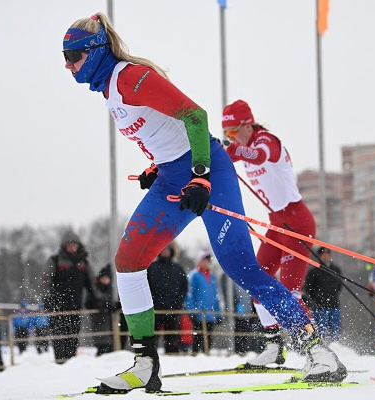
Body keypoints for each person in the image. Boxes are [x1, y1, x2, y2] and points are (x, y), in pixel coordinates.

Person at [61, 13, 347, 393]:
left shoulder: (131, 77)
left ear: (96, 51)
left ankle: (318, 351)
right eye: (64, 56)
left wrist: (198, 173)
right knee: (128, 261)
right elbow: (164, 132)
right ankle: (144, 363)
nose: (68, 64)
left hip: (209, 172)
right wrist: (155, 167)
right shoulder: (110, 89)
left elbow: (195, 117)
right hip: (171, 180)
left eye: (73, 54)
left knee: (239, 265)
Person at [222, 99, 317, 367]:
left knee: (289, 292)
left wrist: (235, 150)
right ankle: (274, 346)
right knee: (257, 282)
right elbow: (230, 156)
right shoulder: (244, 145)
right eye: (227, 133)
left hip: (297, 223)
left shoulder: (266, 140)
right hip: (275, 225)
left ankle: (316, 352)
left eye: (233, 132)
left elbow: (262, 155)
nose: (232, 137)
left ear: (247, 124)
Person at [44, 231, 96, 364]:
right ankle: (60, 363)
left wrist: (96, 300)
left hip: (75, 308)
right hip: (57, 309)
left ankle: (71, 364)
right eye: (69, 245)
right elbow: (45, 282)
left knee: (73, 337)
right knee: (59, 339)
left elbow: (91, 285)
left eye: (75, 245)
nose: (72, 247)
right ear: (64, 246)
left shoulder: (84, 263)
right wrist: (48, 300)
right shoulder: (55, 261)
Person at [147, 244, 188, 354]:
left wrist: (178, 302)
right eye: (162, 249)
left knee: (172, 339)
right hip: (155, 309)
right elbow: (146, 286)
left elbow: (184, 288)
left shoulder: (177, 268)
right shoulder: (152, 267)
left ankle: (173, 357)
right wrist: (152, 302)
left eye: (167, 250)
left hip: (173, 309)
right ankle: (150, 356)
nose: (165, 252)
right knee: (152, 337)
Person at [303, 247, 343, 343]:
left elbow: (339, 286)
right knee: (321, 331)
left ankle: (336, 346)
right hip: (319, 307)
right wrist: (315, 299)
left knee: (335, 330)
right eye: (323, 255)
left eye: (327, 254)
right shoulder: (313, 272)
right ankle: (321, 346)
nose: (325, 256)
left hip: (334, 305)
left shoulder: (336, 270)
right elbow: (307, 288)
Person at [186, 251, 222, 354]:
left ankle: (206, 356)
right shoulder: (194, 275)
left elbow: (215, 296)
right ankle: (195, 356)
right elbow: (189, 294)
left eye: (208, 261)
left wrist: (218, 313)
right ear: (199, 261)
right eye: (204, 260)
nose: (206, 263)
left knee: (209, 340)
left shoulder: (211, 277)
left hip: (210, 314)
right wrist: (192, 311)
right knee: (197, 338)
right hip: (199, 313)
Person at [90, 264, 116, 356]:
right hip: (99, 321)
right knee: (101, 344)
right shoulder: (95, 289)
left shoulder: (111, 290)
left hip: (109, 322)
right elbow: (90, 303)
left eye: (107, 278)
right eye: (103, 278)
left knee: (109, 344)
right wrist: (102, 306)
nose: (105, 280)